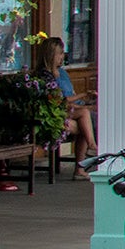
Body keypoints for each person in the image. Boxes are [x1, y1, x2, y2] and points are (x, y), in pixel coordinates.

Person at [39, 37, 96, 177]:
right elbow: (58, 100)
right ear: (51, 55)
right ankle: (92, 147)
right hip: (55, 112)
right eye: (60, 53)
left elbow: (71, 94)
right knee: (84, 116)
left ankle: (82, 165)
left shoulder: (63, 73)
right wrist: (82, 95)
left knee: (85, 120)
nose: (62, 56)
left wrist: (84, 99)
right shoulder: (44, 76)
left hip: (70, 109)